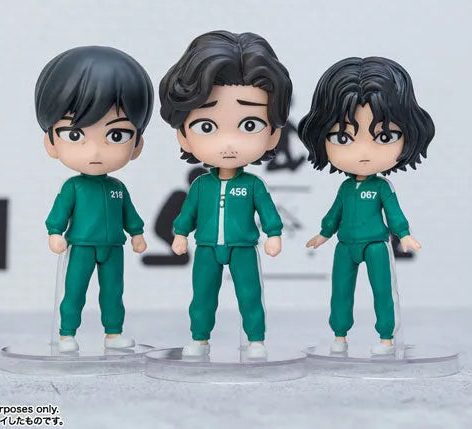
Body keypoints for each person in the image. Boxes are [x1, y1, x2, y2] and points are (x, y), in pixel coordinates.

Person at [158, 30, 293, 359]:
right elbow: (187, 213)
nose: (228, 143)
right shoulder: (201, 185)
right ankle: (199, 338)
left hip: (243, 247)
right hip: (206, 247)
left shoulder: (253, 185)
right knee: (202, 297)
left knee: (250, 294)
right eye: (207, 126)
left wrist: (274, 234)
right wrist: (180, 234)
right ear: (183, 135)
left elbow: (268, 212)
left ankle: (256, 340)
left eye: (249, 125)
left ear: (273, 135)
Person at [298, 57, 434, 355]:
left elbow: (394, 213)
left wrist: (404, 234)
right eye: (343, 137)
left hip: (375, 244)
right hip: (345, 245)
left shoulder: (382, 187)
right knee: (340, 292)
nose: (363, 152)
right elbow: (334, 213)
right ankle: (339, 335)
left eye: (384, 137)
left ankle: (386, 338)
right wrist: (323, 233)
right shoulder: (346, 187)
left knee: (383, 291)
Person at [35, 46, 154, 353]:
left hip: (113, 246)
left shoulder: (118, 187)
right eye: (75, 135)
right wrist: (54, 233)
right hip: (82, 246)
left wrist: (137, 233)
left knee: (113, 292)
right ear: (51, 142)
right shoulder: (73, 187)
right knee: (75, 290)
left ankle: (113, 333)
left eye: (116, 135)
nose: (95, 151)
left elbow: (129, 214)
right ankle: (66, 333)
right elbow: (59, 213)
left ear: (137, 144)